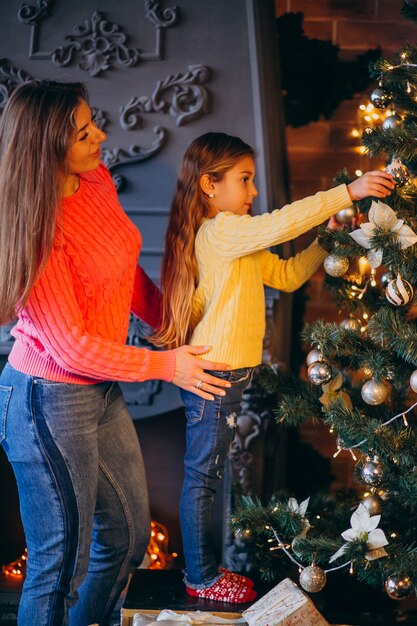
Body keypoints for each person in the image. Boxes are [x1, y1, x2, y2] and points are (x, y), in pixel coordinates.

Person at [0, 82, 233, 626]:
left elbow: (122, 266)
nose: (100, 136)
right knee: (59, 571)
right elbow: (70, 347)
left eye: (92, 122)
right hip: (47, 402)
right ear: (47, 148)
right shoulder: (37, 228)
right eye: (83, 134)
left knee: (127, 541)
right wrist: (168, 364)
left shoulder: (94, 177)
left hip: (98, 392)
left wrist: (170, 328)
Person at [153, 132, 395, 603]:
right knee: (203, 476)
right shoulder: (222, 231)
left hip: (229, 374)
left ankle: (206, 572)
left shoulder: (235, 239)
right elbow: (281, 225)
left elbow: (285, 275)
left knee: (210, 474)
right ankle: (200, 577)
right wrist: (347, 192)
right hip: (214, 374)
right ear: (209, 184)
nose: (253, 191)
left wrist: (330, 239)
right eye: (244, 180)